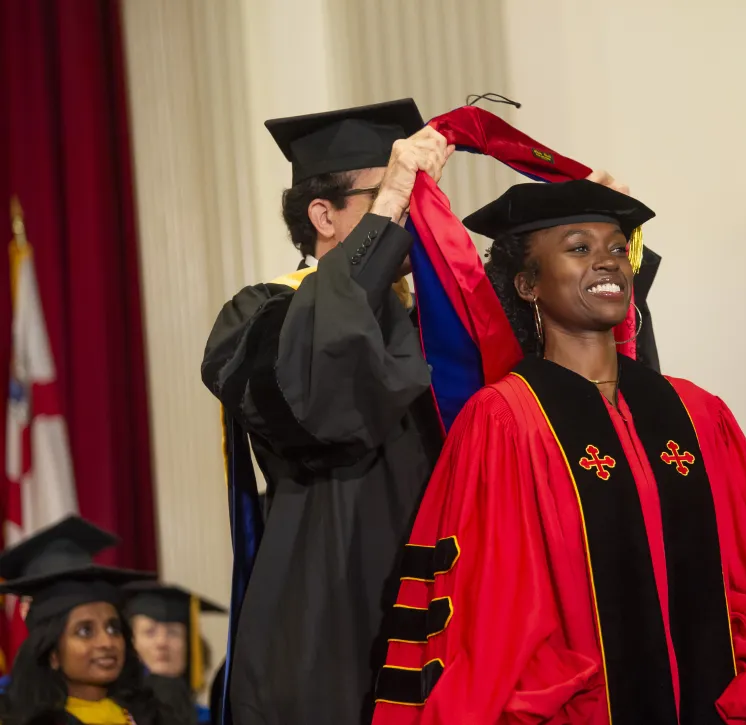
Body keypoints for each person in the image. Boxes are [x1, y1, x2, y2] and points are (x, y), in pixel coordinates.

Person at [202, 99, 647, 724]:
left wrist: (586, 231)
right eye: (396, 190)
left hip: (461, 622)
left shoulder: (456, 326)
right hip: (331, 621)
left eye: (421, 192)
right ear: (323, 215)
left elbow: (575, 373)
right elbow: (323, 393)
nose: (415, 209)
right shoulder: (266, 316)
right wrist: (388, 206)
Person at [369, 179, 746, 724]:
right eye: (579, 248)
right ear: (528, 284)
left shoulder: (695, 413)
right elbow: (492, 612)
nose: (607, 262)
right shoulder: (505, 421)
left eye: (618, 248)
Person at [0, 516, 177, 725]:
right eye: (85, 631)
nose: (107, 642)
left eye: (113, 629)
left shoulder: (152, 715)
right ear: (53, 654)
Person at [123, 583, 226, 725]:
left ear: (190, 645)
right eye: (150, 632)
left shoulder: (213, 718)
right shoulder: (118, 715)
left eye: (173, 632)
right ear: (130, 643)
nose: (162, 642)